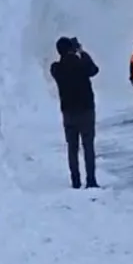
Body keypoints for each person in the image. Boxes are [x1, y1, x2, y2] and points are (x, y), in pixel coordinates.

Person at [50, 36, 100, 189]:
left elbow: (60, 67)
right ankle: (90, 180)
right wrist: (82, 52)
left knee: (72, 148)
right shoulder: (81, 63)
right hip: (86, 110)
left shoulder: (56, 68)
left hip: (68, 112)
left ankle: (75, 181)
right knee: (88, 146)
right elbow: (94, 70)